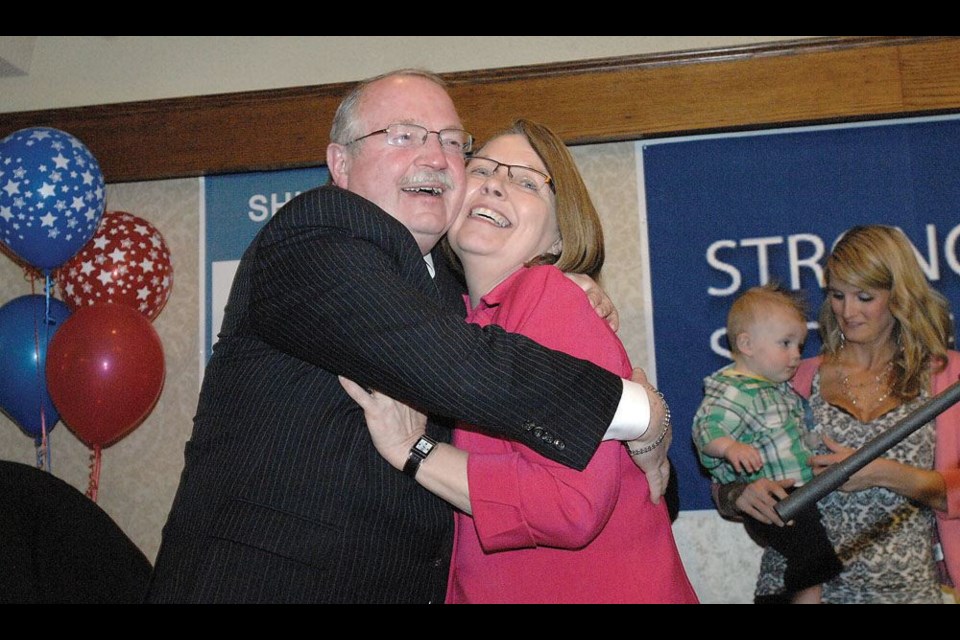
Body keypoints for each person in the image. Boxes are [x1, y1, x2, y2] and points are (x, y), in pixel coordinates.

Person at [145, 70, 671, 604]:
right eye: (404, 135)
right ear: (340, 164)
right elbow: (459, 367)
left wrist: (557, 284)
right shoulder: (315, 231)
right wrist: (639, 411)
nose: (437, 156)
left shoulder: (468, 301)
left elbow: (621, 495)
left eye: (451, 142)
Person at [341, 119, 697, 604]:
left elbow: (569, 505)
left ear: (558, 237)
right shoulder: (456, 324)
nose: (494, 184)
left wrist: (414, 449)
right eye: (481, 170)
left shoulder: (547, 293)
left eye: (527, 182)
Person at [716, 225, 959, 604]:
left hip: (905, 593)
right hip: (797, 591)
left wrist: (885, 473)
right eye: (837, 295)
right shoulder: (792, 376)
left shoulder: (948, 377)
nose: (848, 311)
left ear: (899, 295)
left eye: (865, 297)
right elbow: (724, 475)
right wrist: (740, 493)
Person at [692, 283, 841, 604]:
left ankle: (797, 591)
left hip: (798, 490)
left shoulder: (779, 388)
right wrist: (730, 448)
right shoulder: (733, 390)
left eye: (799, 346)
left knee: (814, 555)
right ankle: (798, 593)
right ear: (746, 344)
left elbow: (794, 429)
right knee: (815, 558)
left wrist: (814, 442)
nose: (796, 356)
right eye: (785, 344)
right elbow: (706, 429)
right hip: (774, 497)